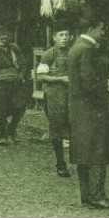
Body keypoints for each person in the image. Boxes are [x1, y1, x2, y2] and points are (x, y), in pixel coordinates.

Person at [67, 17, 109, 210]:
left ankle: (86, 196)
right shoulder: (87, 50)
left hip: (80, 110)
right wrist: (107, 90)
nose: (103, 32)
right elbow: (89, 83)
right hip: (93, 111)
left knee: (84, 154)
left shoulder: (76, 48)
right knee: (97, 153)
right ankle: (98, 196)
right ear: (91, 28)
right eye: (101, 28)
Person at [37, 23, 72, 177]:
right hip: (54, 95)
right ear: (54, 37)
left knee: (74, 126)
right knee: (57, 127)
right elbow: (41, 76)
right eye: (61, 35)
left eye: (67, 35)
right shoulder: (49, 54)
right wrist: (60, 79)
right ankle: (60, 163)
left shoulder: (73, 52)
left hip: (71, 95)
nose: (64, 38)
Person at [0, 28, 27, 145]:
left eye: (6, 37)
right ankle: (3, 135)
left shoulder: (14, 48)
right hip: (1, 84)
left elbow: (23, 63)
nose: (4, 39)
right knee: (2, 110)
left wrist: (21, 74)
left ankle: (11, 129)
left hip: (15, 82)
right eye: (1, 37)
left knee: (20, 107)